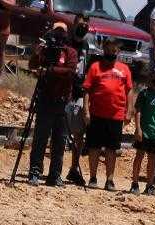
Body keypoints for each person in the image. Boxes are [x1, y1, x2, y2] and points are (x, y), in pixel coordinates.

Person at [27, 22, 79, 187]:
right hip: (45, 99)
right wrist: (37, 54)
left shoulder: (70, 52)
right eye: (56, 31)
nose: (59, 35)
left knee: (60, 141)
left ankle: (55, 175)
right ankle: (35, 172)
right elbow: (32, 66)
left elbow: (70, 71)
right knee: (40, 138)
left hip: (63, 101)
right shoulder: (45, 49)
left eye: (62, 32)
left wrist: (50, 70)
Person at [82, 39, 132, 190]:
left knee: (112, 149)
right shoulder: (95, 67)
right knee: (94, 147)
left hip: (116, 115)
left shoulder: (124, 69)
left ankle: (109, 180)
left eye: (114, 51)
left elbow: (129, 90)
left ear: (118, 52)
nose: (111, 53)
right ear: (104, 50)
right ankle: (93, 177)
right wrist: (86, 110)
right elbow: (87, 90)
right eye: (109, 50)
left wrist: (129, 111)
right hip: (96, 113)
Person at [129, 69, 155, 195]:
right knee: (139, 156)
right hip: (144, 131)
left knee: (153, 159)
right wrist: (138, 128)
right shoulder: (144, 94)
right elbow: (138, 111)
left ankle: (150, 185)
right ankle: (135, 183)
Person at [64, 14, 91, 186]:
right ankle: (55, 167)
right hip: (66, 89)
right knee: (61, 130)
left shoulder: (86, 44)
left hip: (80, 91)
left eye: (86, 25)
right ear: (74, 24)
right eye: (81, 24)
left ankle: (74, 168)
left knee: (79, 133)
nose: (83, 27)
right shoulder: (67, 42)